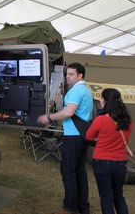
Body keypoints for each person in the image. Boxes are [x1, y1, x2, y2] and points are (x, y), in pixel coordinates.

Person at [38, 62, 93, 214]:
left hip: (73, 137)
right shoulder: (87, 90)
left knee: (68, 172)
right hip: (82, 136)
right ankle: (82, 207)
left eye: (71, 74)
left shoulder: (76, 91)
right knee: (79, 172)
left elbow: (68, 113)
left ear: (80, 75)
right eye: (67, 74)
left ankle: (70, 208)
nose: (67, 77)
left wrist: (49, 117)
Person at [86, 88, 132, 214]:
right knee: (118, 196)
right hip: (121, 161)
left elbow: (89, 136)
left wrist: (100, 138)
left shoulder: (101, 119)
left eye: (101, 98)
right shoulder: (127, 120)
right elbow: (124, 139)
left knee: (106, 197)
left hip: (102, 161)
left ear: (105, 101)